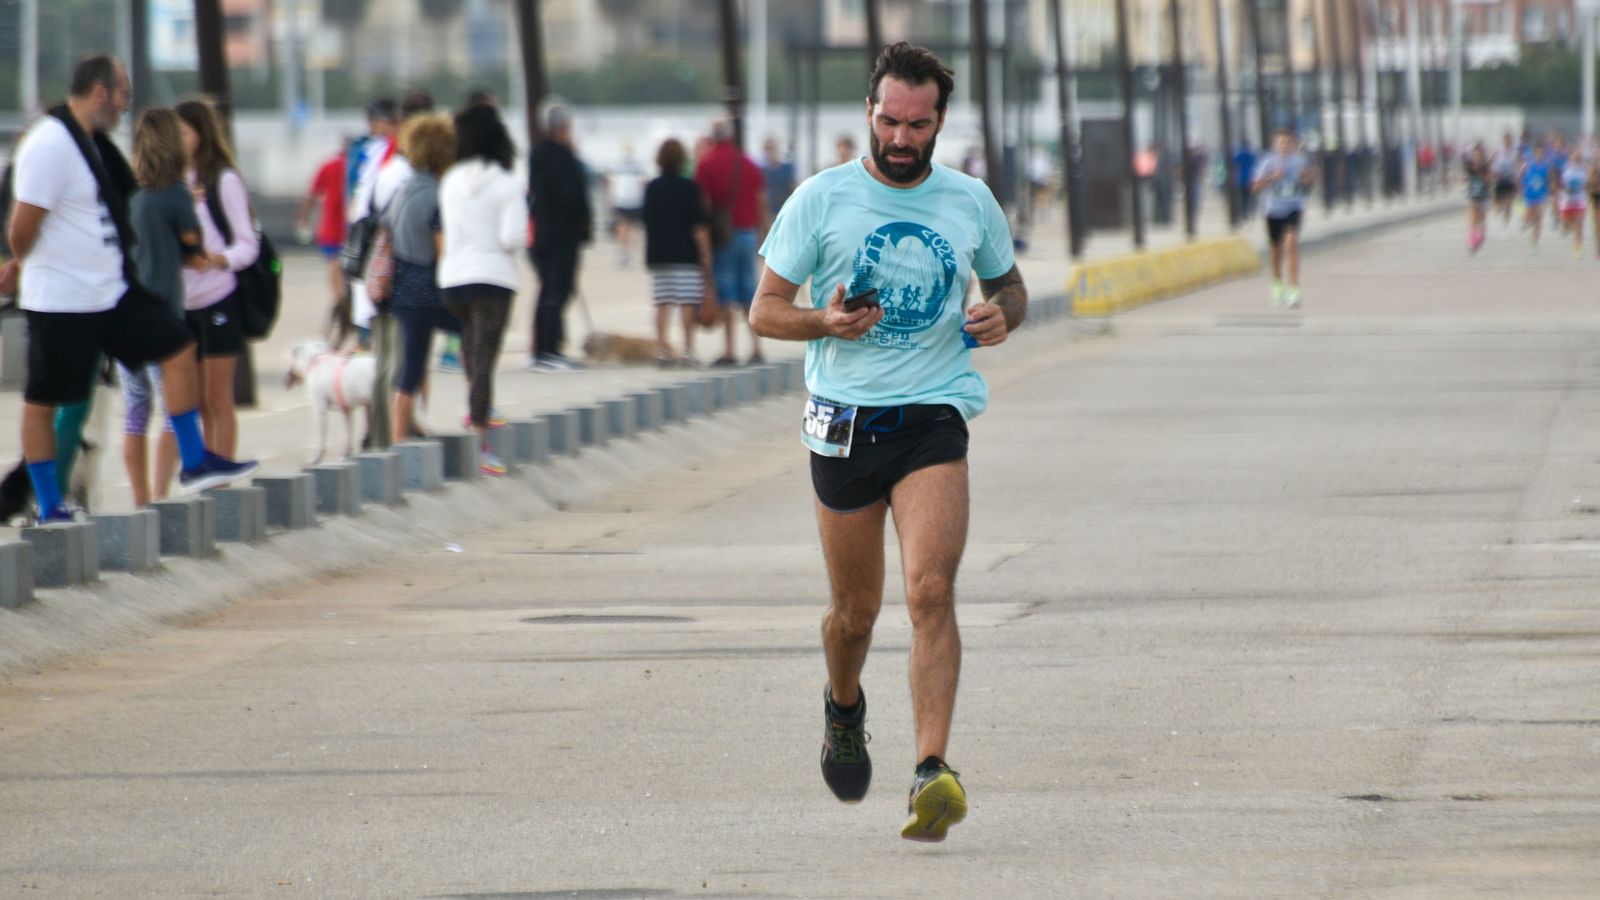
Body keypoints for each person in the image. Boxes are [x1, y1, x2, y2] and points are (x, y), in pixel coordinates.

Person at [749, 41, 1028, 843]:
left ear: (940, 121)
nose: (901, 139)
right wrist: (823, 321)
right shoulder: (820, 199)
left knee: (930, 590)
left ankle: (932, 769)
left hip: (933, 417)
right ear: (870, 113)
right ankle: (843, 707)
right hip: (843, 422)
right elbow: (765, 311)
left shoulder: (970, 200)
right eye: (889, 121)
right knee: (855, 614)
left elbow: (1008, 283)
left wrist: (1004, 312)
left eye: (918, 124)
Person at [0, 56, 255, 523]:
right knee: (44, 401)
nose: (124, 107)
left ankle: (196, 462)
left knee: (178, 347)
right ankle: (49, 505)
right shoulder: (50, 144)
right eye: (122, 96)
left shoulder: (93, 144)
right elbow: (21, 227)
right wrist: (23, 263)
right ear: (100, 91)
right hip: (62, 300)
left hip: (110, 292)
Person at [155, 98, 260, 498]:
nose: (176, 140)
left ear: (202, 134)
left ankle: (220, 485)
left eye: (183, 131)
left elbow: (247, 245)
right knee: (181, 403)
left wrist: (217, 259)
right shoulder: (167, 181)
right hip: (178, 303)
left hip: (218, 297)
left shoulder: (223, 179)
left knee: (218, 397)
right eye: (172, 132)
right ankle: (161, 491)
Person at [122, 108, 205, 507]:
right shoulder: (175, 194)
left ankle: (139, 501)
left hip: (126, 312)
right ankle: (160, 494)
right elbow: (193, 251)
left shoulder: (129, 195)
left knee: (134, 412)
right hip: (164, 316)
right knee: (174, 410)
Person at [439, 103, 523, 476]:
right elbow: (513, 236)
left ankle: (475, 408)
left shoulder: (451, 180)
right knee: (485, 358)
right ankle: (480, 441)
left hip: (454, 279)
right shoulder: (507, 184)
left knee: (471, 354)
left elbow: (448, 232)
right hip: (494, 278)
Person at [385, 113, 455, 443]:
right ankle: (399, 440)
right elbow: (443, 248)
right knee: (413, 366)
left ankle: (405, 433)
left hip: (400, 285)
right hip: (425, 287)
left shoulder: (404, 189)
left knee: (411, 363)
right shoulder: (437, 193)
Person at [694, 119, 768, 366]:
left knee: (725, 291)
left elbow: (702, 206)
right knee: (749, 289)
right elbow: (761, 203)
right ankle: (757, 347)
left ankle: (730, 350)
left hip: (723, 236)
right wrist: (764, 234)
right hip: (748, 234)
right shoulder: (748, 164)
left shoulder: (705, 165)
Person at [527, 100, 592, 371]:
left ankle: (541, 347)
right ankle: (549, 349)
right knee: (557, 290)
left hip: (542, 233)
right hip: (562, 235)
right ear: (562, 128)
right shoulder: (563, 159)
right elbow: (573, 196)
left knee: (547, 290)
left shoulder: (537, 155)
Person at [642, 138, 713, 367]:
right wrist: (705, 254)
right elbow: (698, 226)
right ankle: (687, 349)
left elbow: (646, 220)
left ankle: (662, 348)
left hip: (659, 253)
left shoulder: (652, 187)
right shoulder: (689, 188)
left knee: (663, 302)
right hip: (685, 253)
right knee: (687, 302)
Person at [346, 97, 400, 350]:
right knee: (367, 288)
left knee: (367, 288)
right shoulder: (369, 150)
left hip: (368, 227)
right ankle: (365, 343)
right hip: (371, 229)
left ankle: (367, 343)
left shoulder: (368, 150)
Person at [295, 141, 350, 348]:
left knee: (335, 276)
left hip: (330, 231)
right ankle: (344, 310)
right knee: (348, 277)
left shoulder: (328, 165)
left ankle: (340, 306)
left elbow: (311, 195)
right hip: (350, 231)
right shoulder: (359, 164)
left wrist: (302, 219)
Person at [1252, 128, 1315, 309]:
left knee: (1292, 245)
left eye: (1288, 143)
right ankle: (1277, 282)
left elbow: (1307, 185)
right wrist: (1272, 177)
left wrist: (1306, 179)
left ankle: (1294, 289)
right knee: (1275, 250)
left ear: (1293, 144)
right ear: (1276, 144)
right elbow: (1255, 187)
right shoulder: (1267, 162)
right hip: (1273, 210)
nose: (1285, 146)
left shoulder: (1300, 162)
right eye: (1281, 143)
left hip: (1293, 208)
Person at [606, 142, 647, 266]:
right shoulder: (617, 164)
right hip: (622, 199)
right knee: (623, 225)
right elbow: (612, 183)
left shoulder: (637, 165)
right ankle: (624, 250)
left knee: (628, 227)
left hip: (632, 200)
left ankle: (626, 250)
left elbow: (642, 183)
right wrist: (611, 198)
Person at [1520, 141, 1552, 249]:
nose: (1540, 154)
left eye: (1542, 153)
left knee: (1539, 217)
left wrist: (1548, 193)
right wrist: (1522, 188)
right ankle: (1526, 221)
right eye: (1538, 152)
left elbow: (1549, 180)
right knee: (1529, 217)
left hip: (1541, 194)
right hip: (1530, 194)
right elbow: (1522, 177)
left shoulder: (1546, 166)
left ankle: (1534, 242)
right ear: (1535, 153)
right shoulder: (1529, 164)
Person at [1558, 152, 1588, 259]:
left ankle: (1577, 250)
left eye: (1578, 158)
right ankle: (1566, 227)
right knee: (1567, 225)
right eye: (1574, 158)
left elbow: (1586, 185)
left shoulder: (1584, 171)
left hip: (1579, 201)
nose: (1576, 160)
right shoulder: (1566, 171)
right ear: (1570, 159)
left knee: (1579, 226)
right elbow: (1561, 185)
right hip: (1567, 201)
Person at [1463, 143, 1489, 255]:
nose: (1476, 157)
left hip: (1483, 196)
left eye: (1478, 155)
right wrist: (1465, 177)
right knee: (1473, 218)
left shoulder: (1485, 167)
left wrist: (1481, 173)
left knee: (1481, 219)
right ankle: (1472, 241)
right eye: (1474, 155)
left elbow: (1489, 179)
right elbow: (1465, 178)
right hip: (1473, 194)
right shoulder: (1469, 166)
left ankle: (1481, 235)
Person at [1490, 133, 1519, 228]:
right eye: (1506, 140)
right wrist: (1494, 174)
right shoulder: (1498, 151)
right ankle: (1497, 213)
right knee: (1498, 202)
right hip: (1500, 179)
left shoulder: (1514, 152)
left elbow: (1517, 166)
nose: (1507, 142)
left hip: (1510, 179)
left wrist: (1517, 179)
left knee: (1508, 202)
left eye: (1509, 140)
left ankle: (1505, 224)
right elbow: (1493, 163)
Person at [762, 137, 796, 214]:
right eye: (767, 149)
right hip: (770, 211)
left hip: (785, 209)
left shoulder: (787, 168)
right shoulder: (763, 171)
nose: (770, 152)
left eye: (772, 148)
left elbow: (793, 188)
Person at [1233, 140, 1258, 217]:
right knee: (1250, 197)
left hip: (1241, 179)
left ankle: (1244, 212)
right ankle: (1250, 211)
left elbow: (1234, 163)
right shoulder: (1252, 154)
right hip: (1251, 178)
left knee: (1243, 198)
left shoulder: (1239, 154)